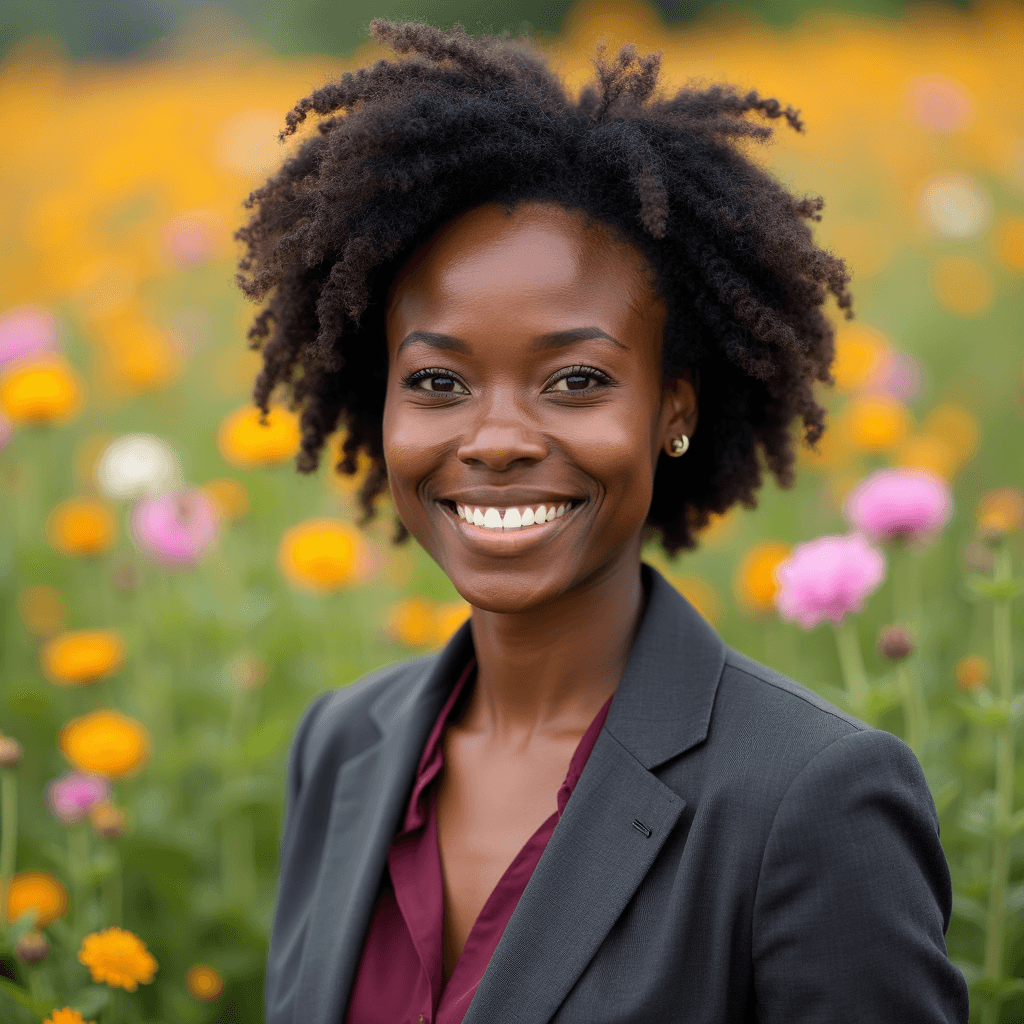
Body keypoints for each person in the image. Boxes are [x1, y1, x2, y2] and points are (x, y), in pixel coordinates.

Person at [236, 19, 970, 1024]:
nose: (494, 438)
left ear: (673, 408)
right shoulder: (341, 747)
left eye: (575, 379)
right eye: (438, 380)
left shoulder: (809, 800)